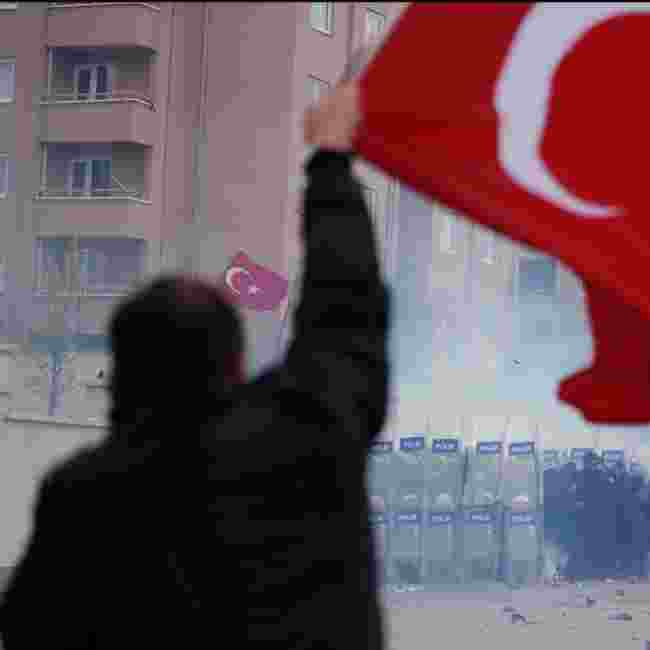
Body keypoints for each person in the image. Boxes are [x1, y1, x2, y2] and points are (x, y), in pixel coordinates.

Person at [0, 80, 389, 649]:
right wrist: (331, 162)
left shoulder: (87, 495)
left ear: (122, 375)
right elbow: (346, 311)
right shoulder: (308, 431)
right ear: (234, 362)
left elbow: (32, 627)